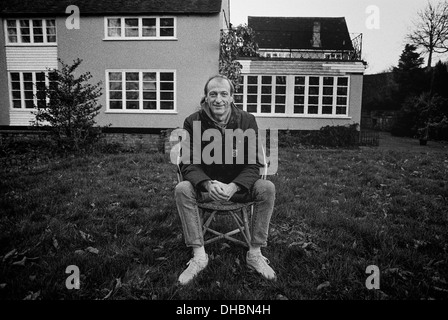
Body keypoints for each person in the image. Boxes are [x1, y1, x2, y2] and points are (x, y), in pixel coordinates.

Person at [174, 74, 276, 285]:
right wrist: (206, 183)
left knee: (267, 187)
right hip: (205, 187)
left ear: (231, 97)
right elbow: (187, 162)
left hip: (237, 186)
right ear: (206, 98)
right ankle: (199, 256)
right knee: (182, 188)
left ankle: (255, 253)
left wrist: (234, 186)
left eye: (223, 94)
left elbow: (252, 163)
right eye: (213, 94)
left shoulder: (247, 120)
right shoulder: (192, 121)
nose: (218, 99)